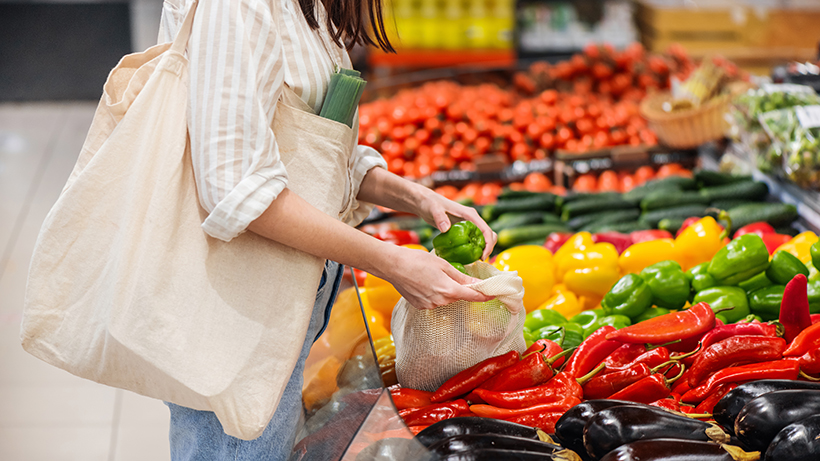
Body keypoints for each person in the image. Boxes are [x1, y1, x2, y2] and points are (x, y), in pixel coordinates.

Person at [156, 0, 498, 459]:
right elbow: (236, 191)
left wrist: (420, 198)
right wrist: (389, 261)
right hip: (233, 311)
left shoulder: (306, 7)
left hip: (281, 302)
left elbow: (313, 152)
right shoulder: (236, 6)